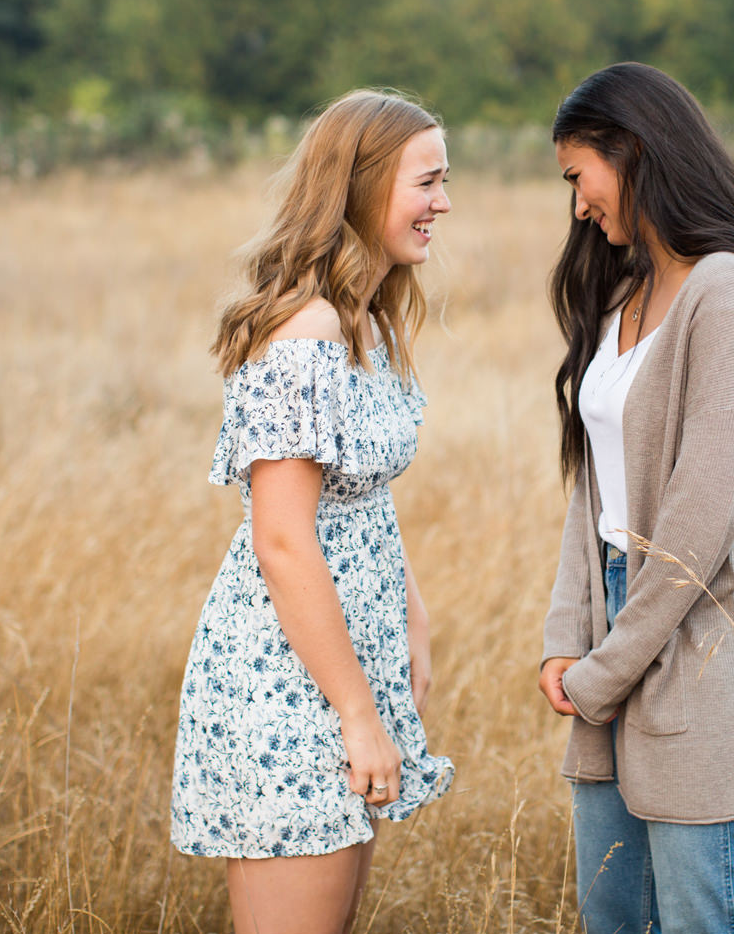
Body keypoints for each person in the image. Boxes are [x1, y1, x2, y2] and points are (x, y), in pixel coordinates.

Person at [537, 62, 734, 934]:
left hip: (709, 645)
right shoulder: (626, 291)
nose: (578, 206)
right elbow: (594, 491)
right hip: (619, 633)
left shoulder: (729, 292)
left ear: (633, 150)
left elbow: (701, 523)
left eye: (580, 176)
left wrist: (602, 670)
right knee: (615, 921)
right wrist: (566, 639)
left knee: (706, 924)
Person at [171, 89, 454, 934]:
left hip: (344, 666)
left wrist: (411, 616)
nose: (443, 203)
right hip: (290, 680)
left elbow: (359, 500)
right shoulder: (307, 331)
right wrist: (357, 716)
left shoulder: (365, 322)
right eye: (427, 182)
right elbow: (284, 539)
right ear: (362, 188)